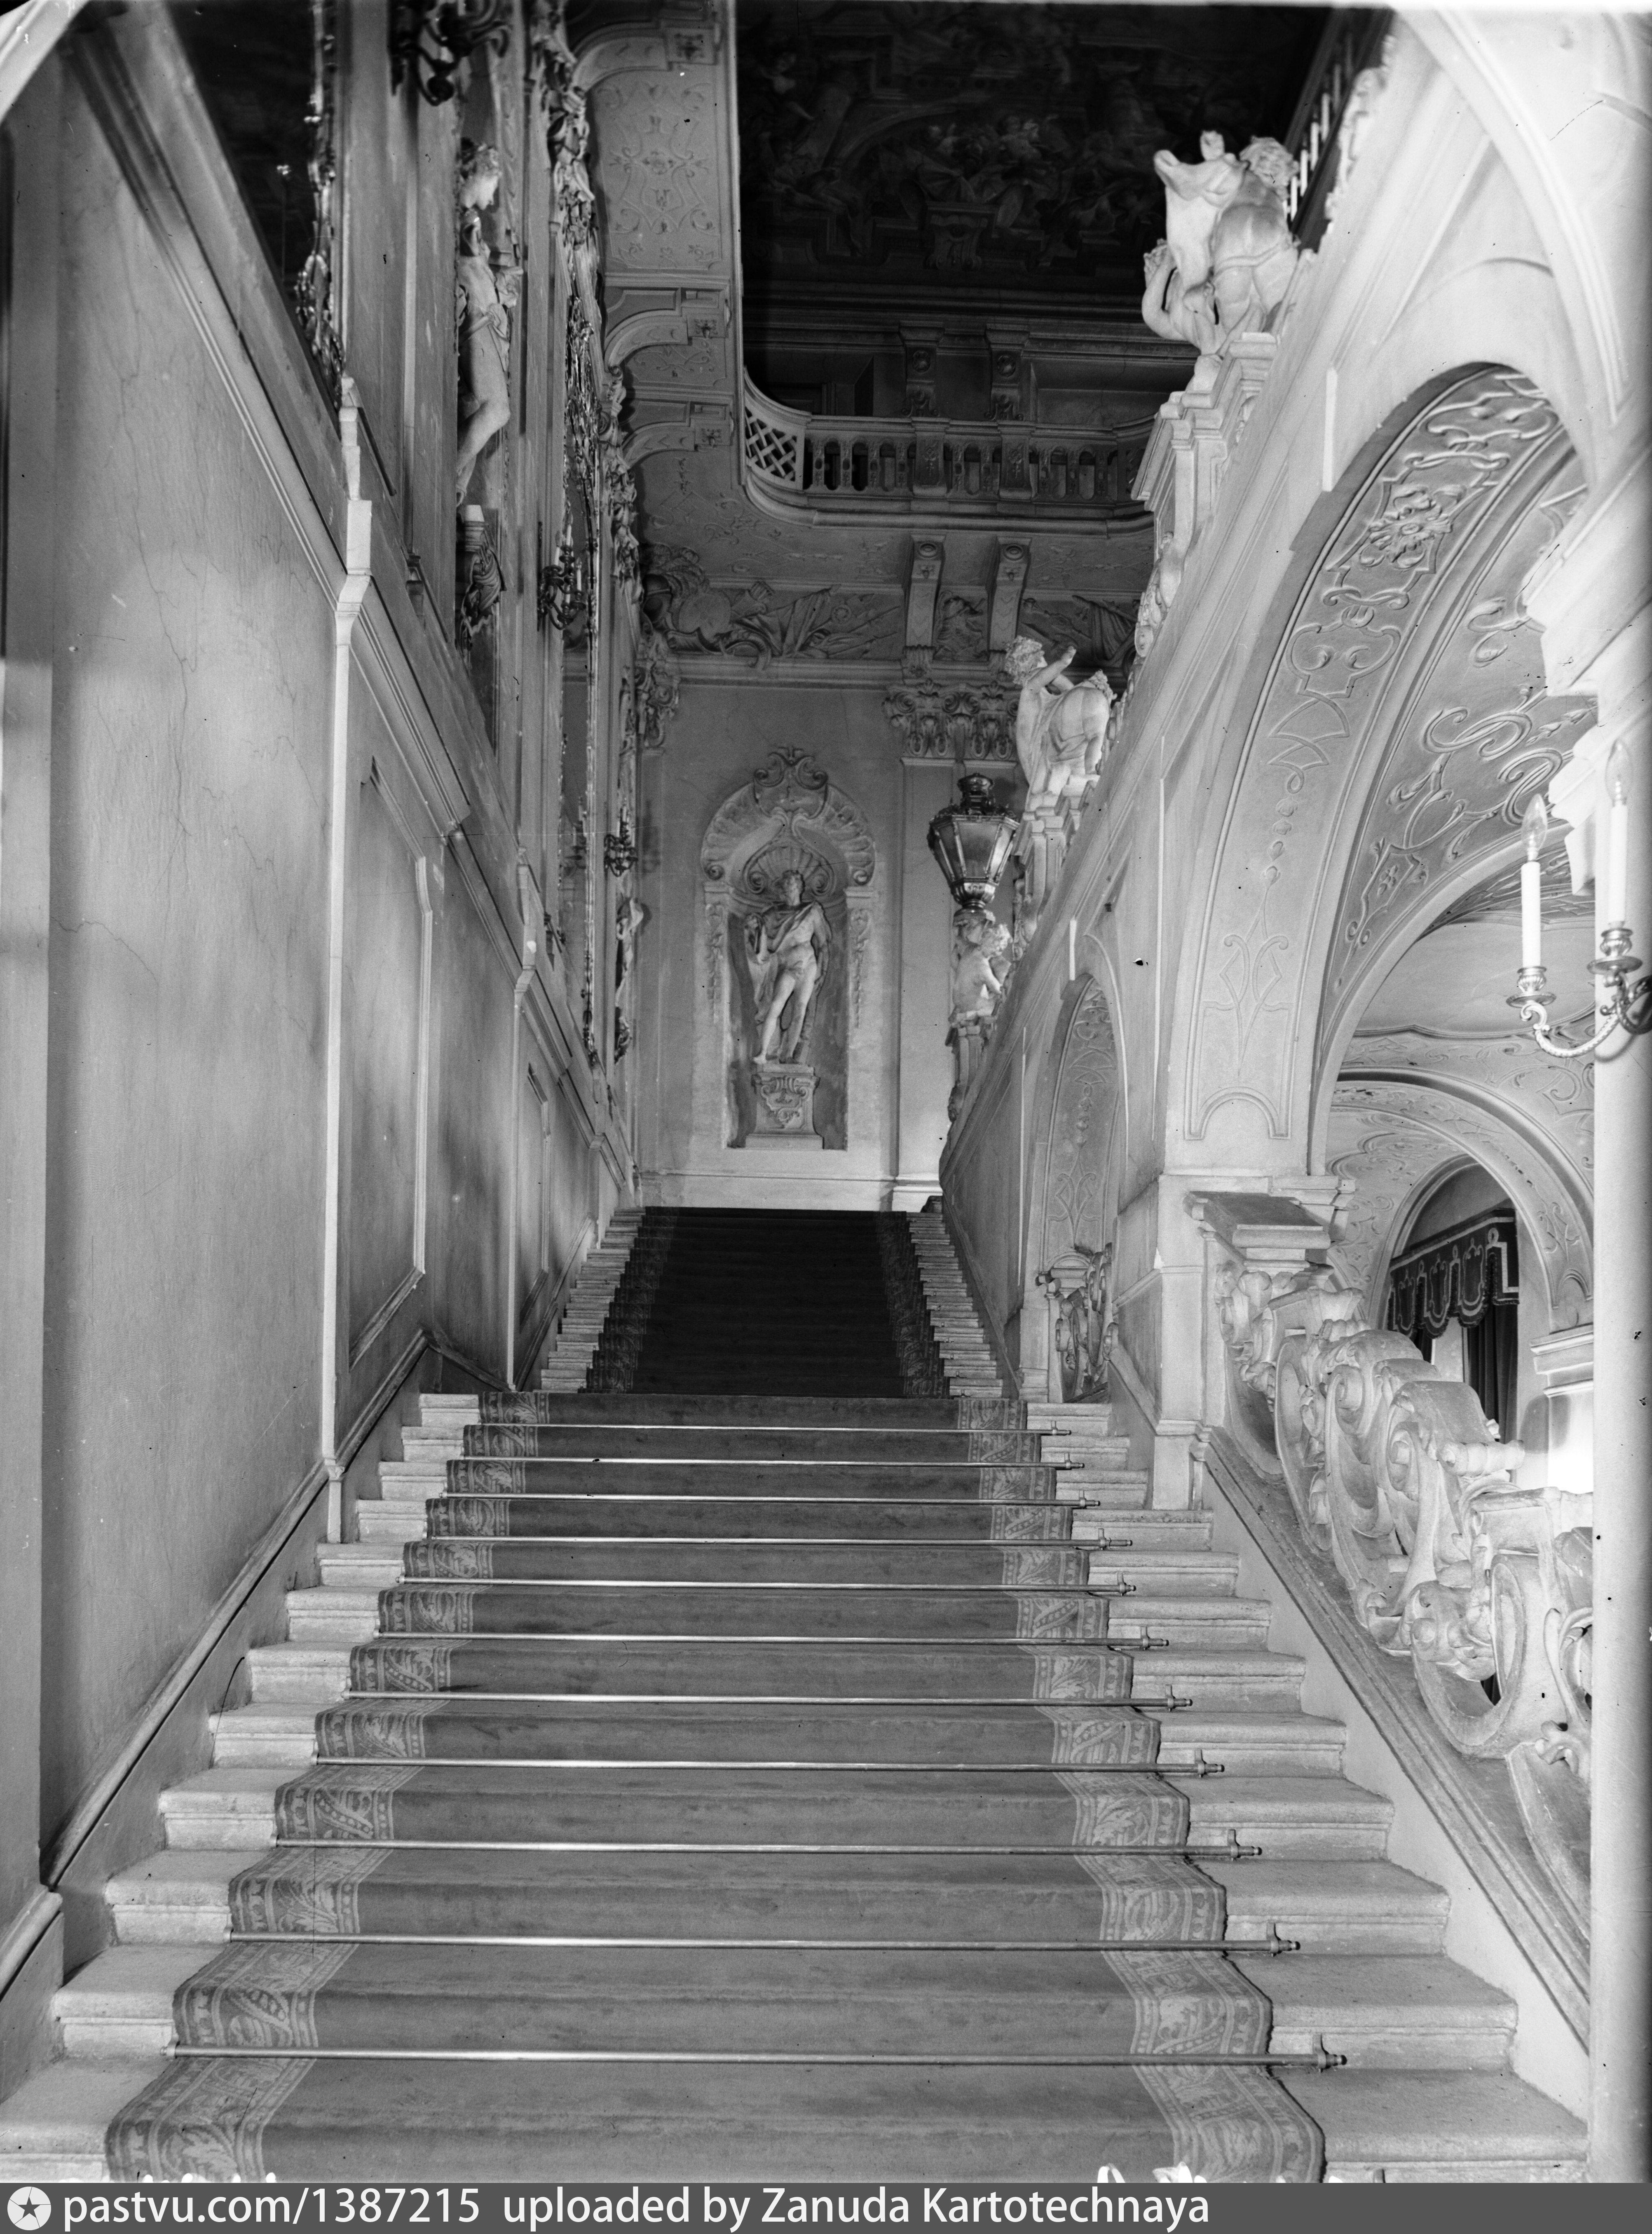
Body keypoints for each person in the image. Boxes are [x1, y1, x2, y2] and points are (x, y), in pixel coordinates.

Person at [745, 870, 831, 1064]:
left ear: (800, 888)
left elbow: (823, 944)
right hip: (787, 966)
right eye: (786, 885)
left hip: (809, 964)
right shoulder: (773, 914)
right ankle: (764, 1052)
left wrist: (822, 971)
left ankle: (789, 1055)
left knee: (800, 1009)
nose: (789, 889)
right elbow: (759, 934)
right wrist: (752, 927)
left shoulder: (812, 911)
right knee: (776, 1004)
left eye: (792, 885)